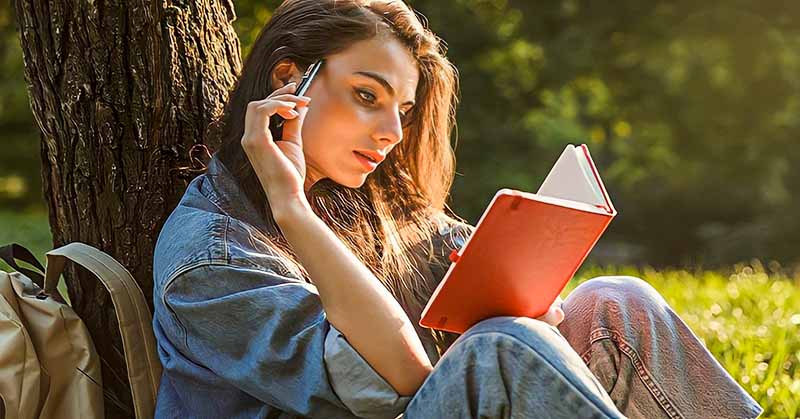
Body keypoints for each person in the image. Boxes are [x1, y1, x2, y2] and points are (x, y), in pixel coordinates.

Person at [151, 1, 764, 418]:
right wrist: (290, 208)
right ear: (290, 81)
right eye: (368, 96)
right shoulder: (210, 260)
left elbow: (516, 305)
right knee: (499, 350)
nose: (392, 131)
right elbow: (401, 380)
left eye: (405, 109)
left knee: (617, 304)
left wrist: (529, 297)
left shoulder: (368, 205)